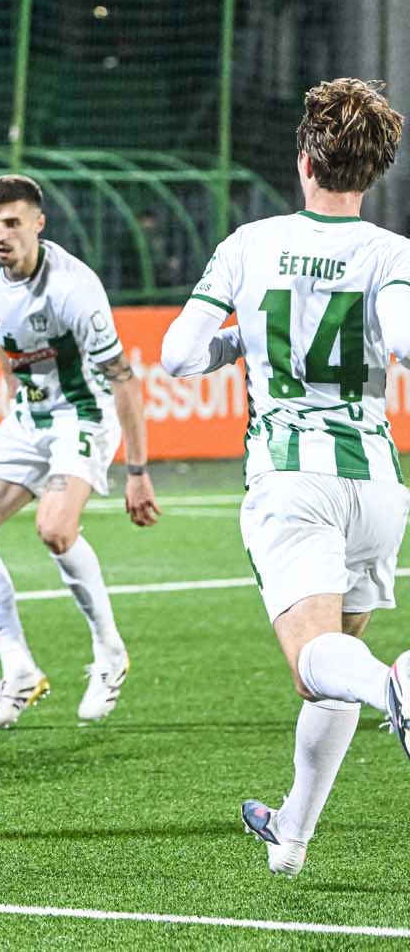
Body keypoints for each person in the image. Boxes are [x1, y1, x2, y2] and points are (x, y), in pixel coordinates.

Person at [161, 77, 410, 878]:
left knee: (316, 663)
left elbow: (176, 356)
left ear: (304, 158)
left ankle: (401, 688)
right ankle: (291, 833)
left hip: (293, 475)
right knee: (332, 672)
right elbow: (405, 343)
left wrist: (240, 341)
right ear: (374, 170)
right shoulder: (392, 253)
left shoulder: (250, 243)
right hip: (377, 481)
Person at [0, 174, 160, 730]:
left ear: (39, 224)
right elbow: (4, 336)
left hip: (81, 415)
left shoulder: (74, 289)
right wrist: (13, 403)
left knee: (55, 529)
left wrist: (137, 472)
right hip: (28, 417)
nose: (0, 234)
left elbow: (124, 379)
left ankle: (110, 652)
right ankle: (18, 669)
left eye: (12, 223)